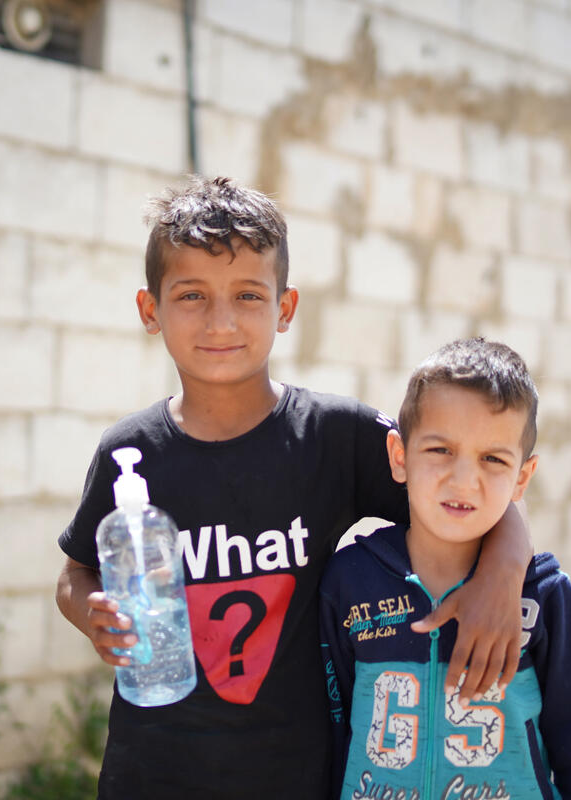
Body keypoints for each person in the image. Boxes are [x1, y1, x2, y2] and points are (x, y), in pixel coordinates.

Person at [55, 177, 533, 799]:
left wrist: (503, 575)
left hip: (295, 773)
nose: (221, 320)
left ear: (285, 308)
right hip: (151, 772)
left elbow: (473, 495)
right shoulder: (131, 454)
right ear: (151, 310)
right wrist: (92, 617)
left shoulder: (336, 436)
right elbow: (75, 573)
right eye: (192, 294)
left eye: (248, 295)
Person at [320, 338, 571, 799]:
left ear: (523, 476)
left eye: (493, 459)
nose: (463, 480)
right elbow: (329, 734)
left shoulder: (543, 598)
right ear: (400, 457)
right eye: (440, 450)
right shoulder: (349, 582)